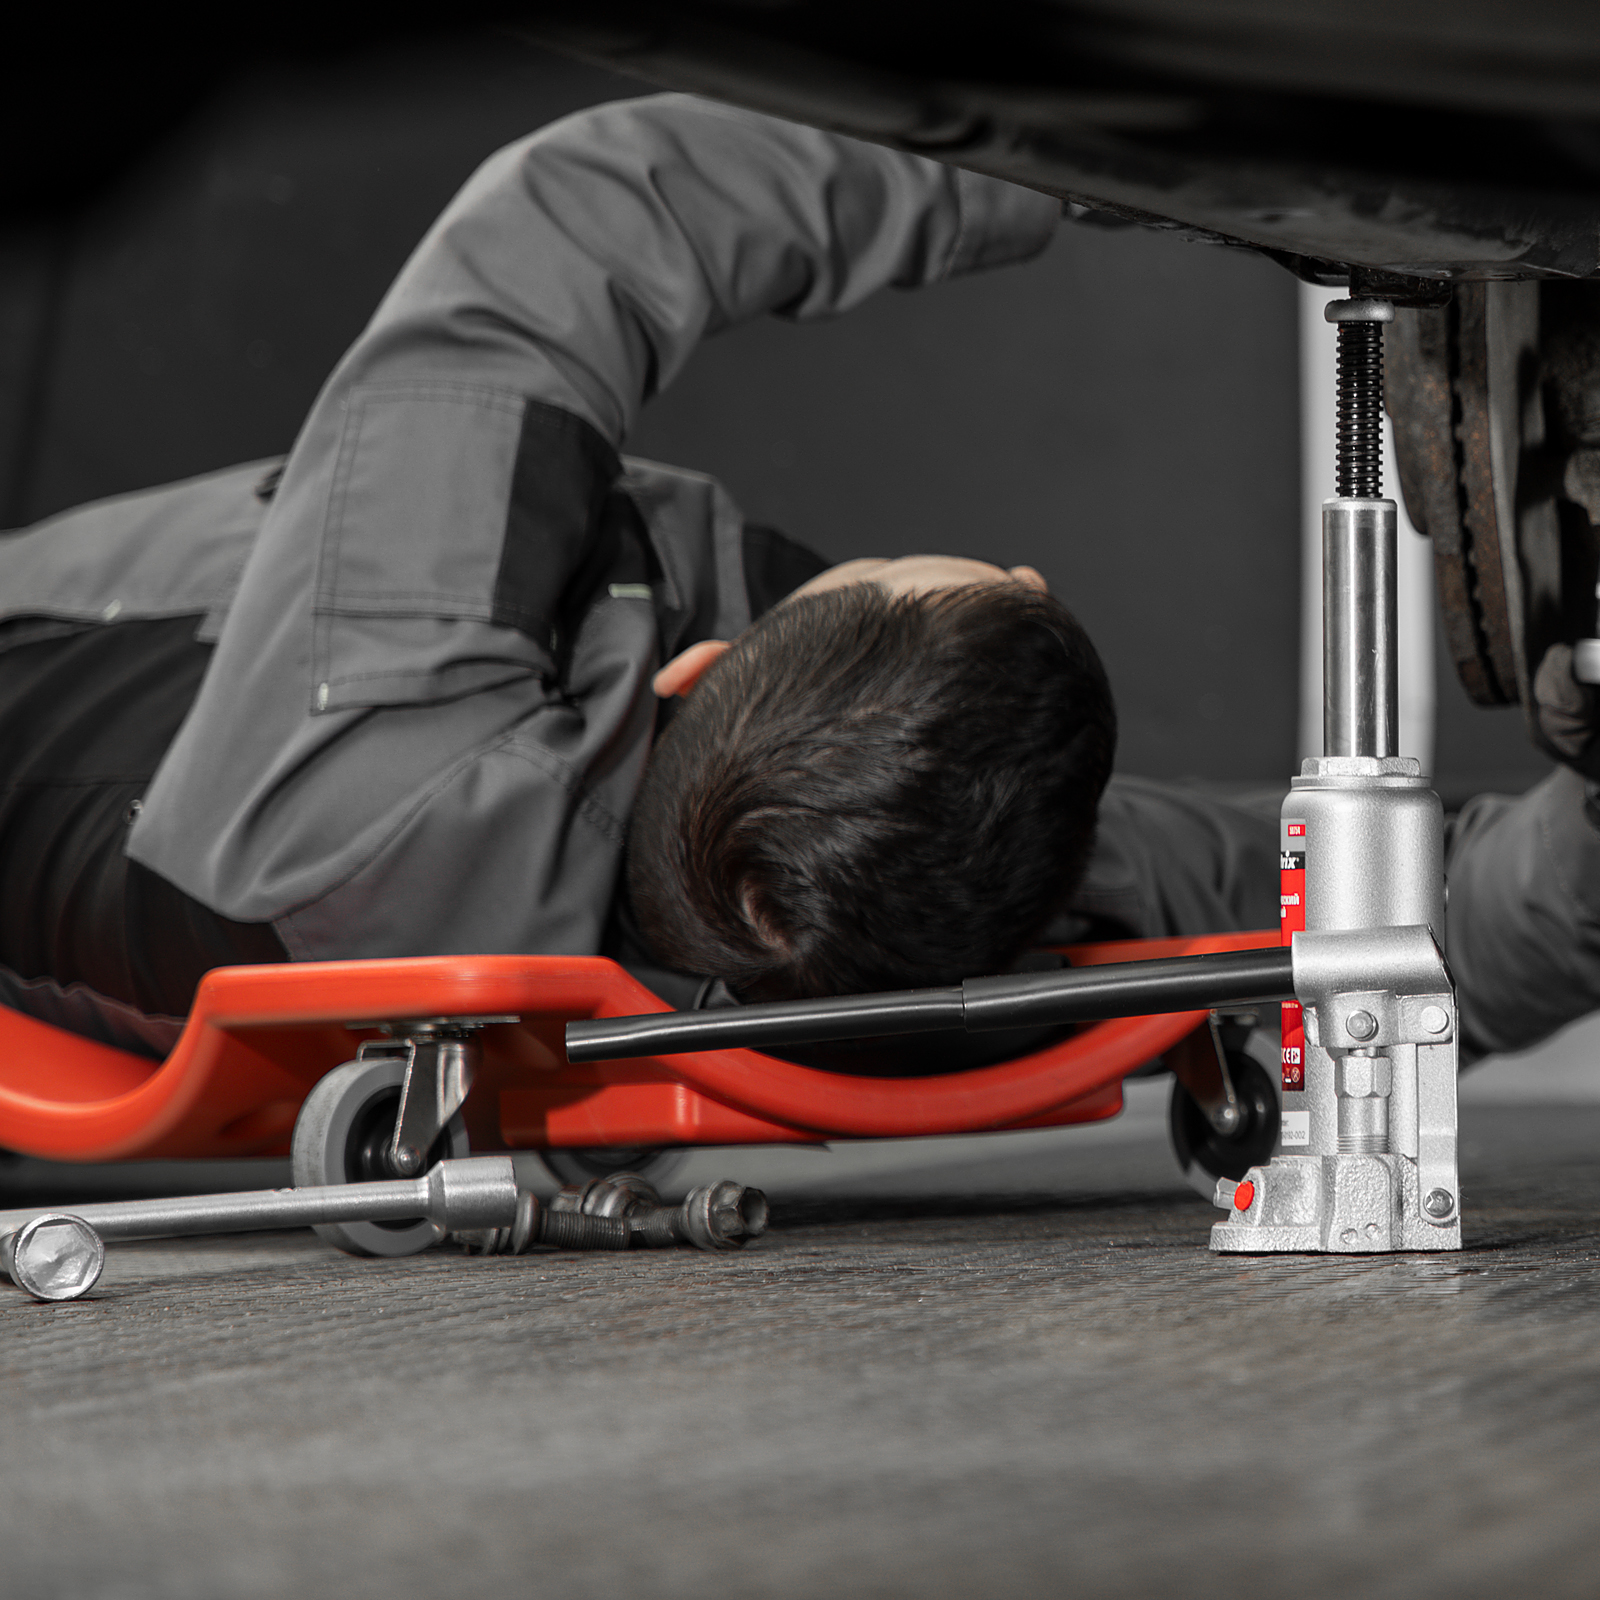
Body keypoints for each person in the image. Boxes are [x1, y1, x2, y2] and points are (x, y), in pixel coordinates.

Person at [0, 92, 1584, 1075]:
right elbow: (1403, 936)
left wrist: (1096, 152)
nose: (1024, 562)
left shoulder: (390, 711)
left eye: (890, 577)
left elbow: (580, 220)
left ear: (695, 673)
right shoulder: (934, 935)